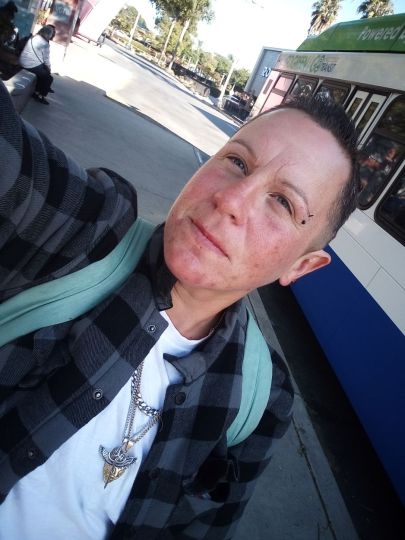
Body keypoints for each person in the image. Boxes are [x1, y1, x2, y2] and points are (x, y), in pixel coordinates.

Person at [0, 78, 359, 539]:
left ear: (301, 266)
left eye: (283, 202)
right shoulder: (85, 232)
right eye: (236, 161)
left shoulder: (260, 400)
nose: (230, 200)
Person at [19, 23, 55, 105]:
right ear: (49, 34)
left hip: (22, 61)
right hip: (30, 65)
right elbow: (46, 59)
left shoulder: (33, 37)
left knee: (43, 74)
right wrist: (49, 68)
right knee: (48, 78)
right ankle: (40, 95)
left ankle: (38, 91)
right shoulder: (45, 43)